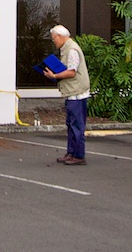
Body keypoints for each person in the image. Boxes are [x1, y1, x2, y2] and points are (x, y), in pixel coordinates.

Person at [42, 25, 91, 166]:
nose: (54, 42)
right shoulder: (67, 48)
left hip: (77, 94)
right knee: (71, 124)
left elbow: (72, 72)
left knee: (77, 125)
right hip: (72, 93)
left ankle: (78, 155)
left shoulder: (72, 50)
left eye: (54, 39)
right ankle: (71, 153)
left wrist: (55, 75)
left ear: (60, 36)